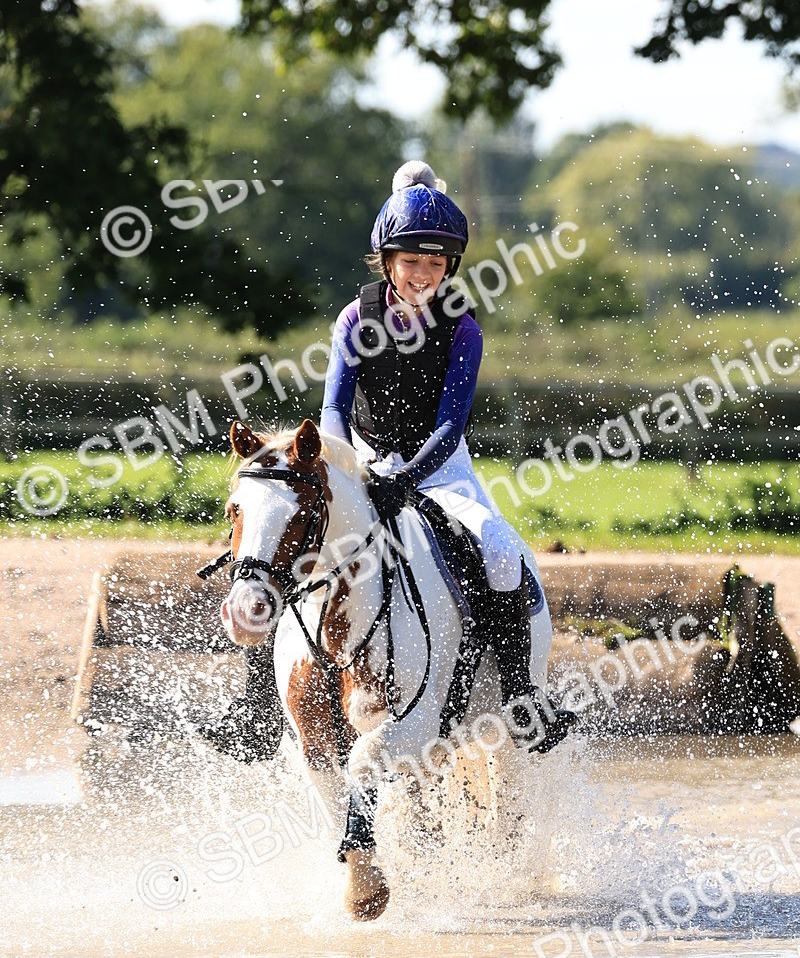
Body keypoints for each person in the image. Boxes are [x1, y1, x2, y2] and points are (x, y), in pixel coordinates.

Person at [201, 160, 575, 759]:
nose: (424, 275)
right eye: (412, 262)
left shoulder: (463, 329)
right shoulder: (355, 319)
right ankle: (257, 707)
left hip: (440, 468)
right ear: (387, 261)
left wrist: (407, 478)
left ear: (449, 267)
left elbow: (450, 427)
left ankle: (520, 697)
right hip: (361, 459)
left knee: (504, 555)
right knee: (286, 549)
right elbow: (333, 409)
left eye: (436, 264)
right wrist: (345, 467)